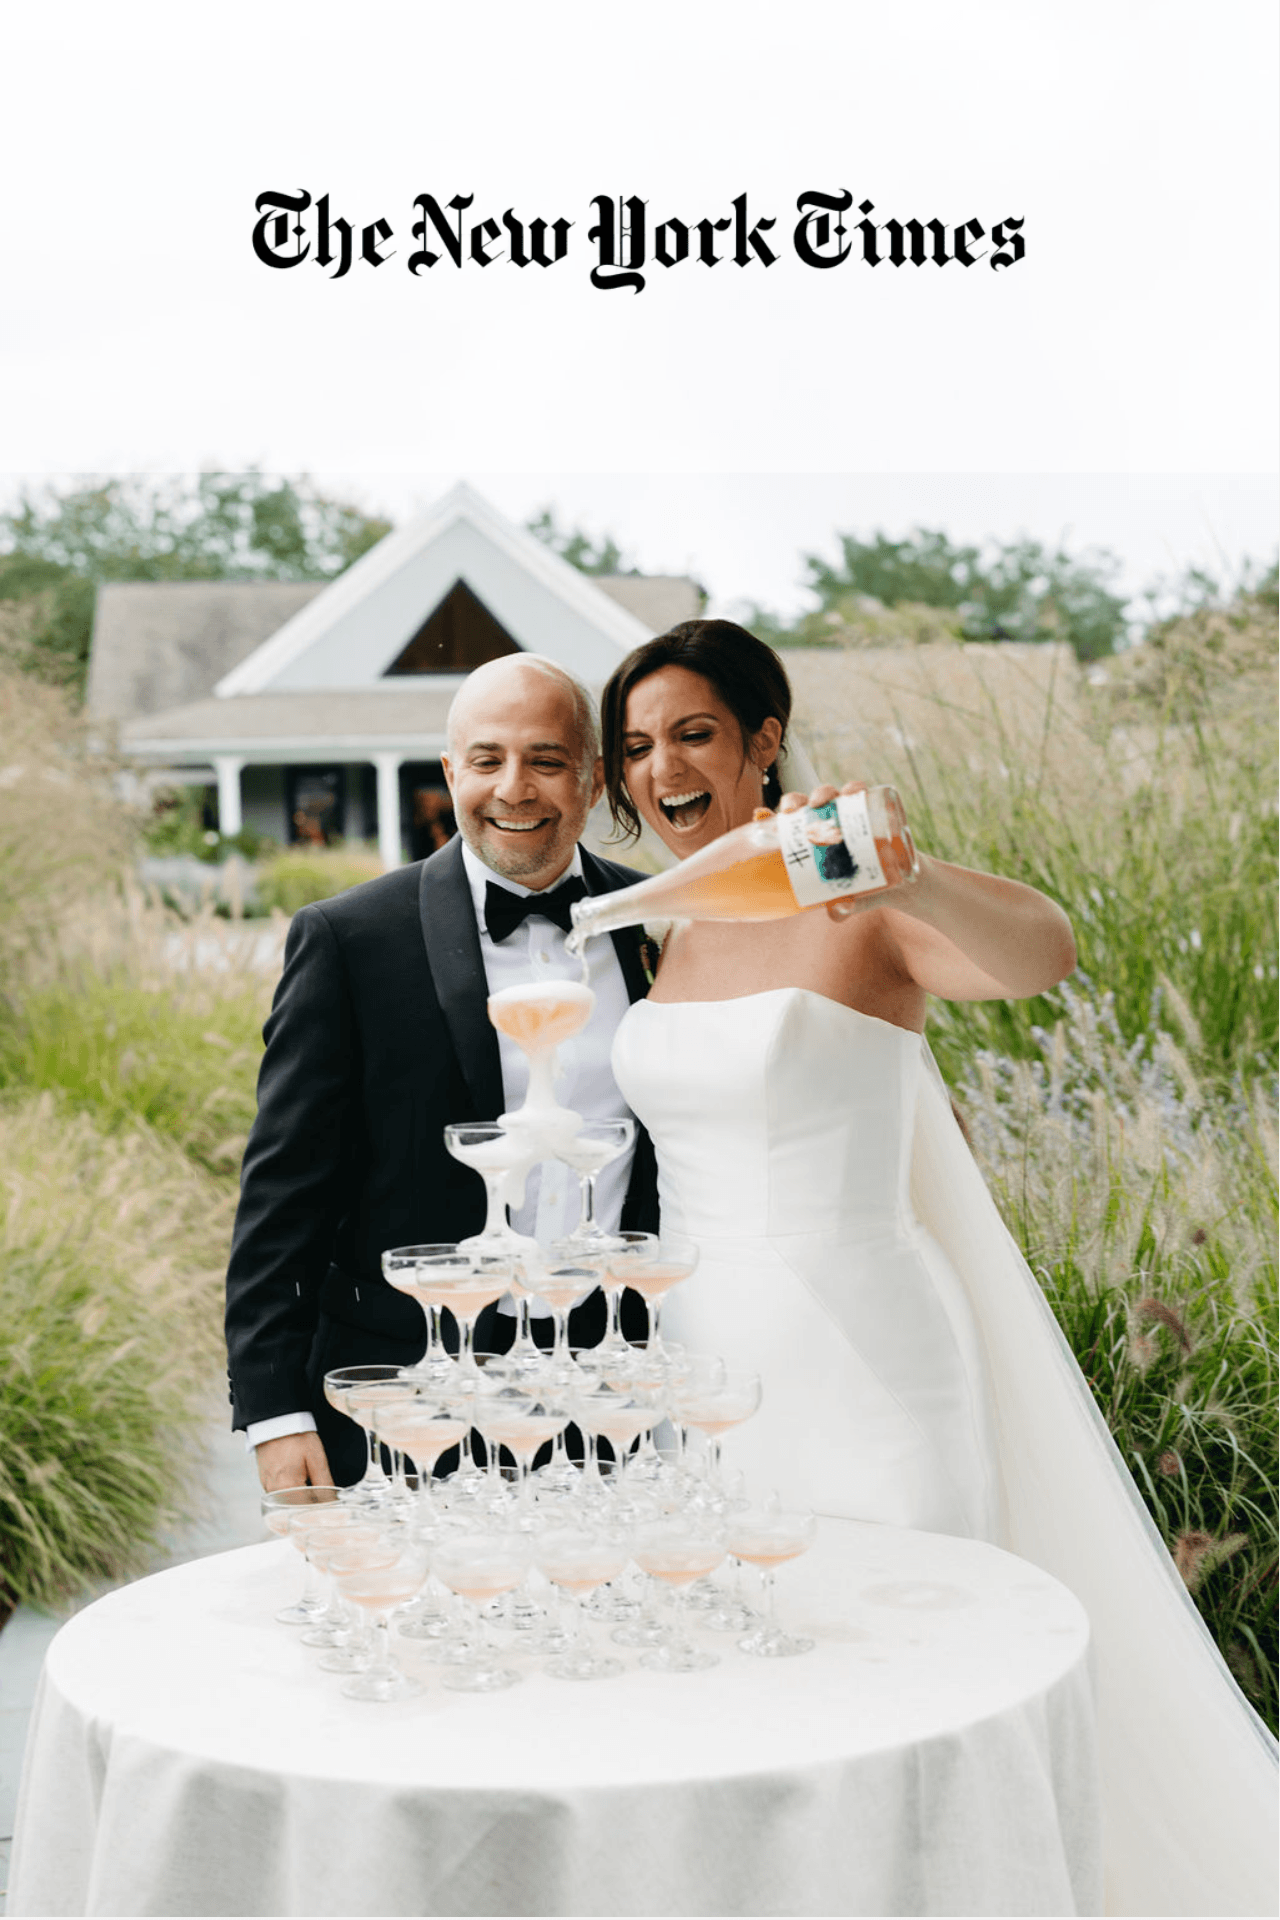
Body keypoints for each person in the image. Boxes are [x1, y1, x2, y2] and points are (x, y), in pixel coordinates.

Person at [598, 618, 1277, 1918]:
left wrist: (908, 878)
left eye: (691, 733)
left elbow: (1043, 956)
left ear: (765, 742)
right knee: (754, 1704)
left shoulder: (859, 907)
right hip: (706, 1377)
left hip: (863, 1360)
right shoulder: (670, 932)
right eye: (635, 747)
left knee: (904, 1691)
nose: (660, 768)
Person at [224, 653, 657, 1491]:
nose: (515, 788)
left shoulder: (660, 923)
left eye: (546, 759)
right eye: (488, 760)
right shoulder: (348, 940)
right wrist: (276, 1415)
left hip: (610, 1401)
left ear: (595, 779)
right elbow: (282, 1197)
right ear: (451, 770)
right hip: (403, 1402)